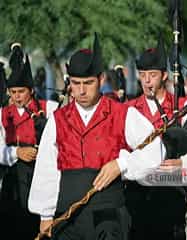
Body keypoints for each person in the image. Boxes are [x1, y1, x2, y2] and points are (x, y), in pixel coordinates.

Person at [28, 33, 163, 240]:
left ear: (101, 80)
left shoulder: (122, 114)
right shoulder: (58, 119)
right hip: (67, 214)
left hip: (107, 216)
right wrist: (45, 215)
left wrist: (122, 164)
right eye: (75, 83)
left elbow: (156, 150)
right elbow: (47, 168)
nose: (81, 91)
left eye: (88, 83)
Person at [126, 38, 187, 240]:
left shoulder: (184, 108)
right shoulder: (128, 110)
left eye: (153, 75)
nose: (147, 81)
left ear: (164, 75)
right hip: (136, 200)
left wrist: (182, 162)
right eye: (142, 75)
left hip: (171, 198)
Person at [0, 43, 58, 239]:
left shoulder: (49, 108)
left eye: (21, 92)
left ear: (31, 90)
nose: (17, 97)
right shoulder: (2, 115)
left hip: (42, 175)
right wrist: (16, 152)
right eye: (13, 92)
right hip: (14, 179)